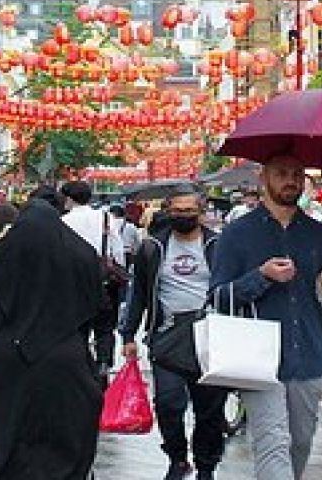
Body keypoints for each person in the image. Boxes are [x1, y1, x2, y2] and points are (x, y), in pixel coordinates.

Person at [0, 197, 103, 480]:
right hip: (64, 357)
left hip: (3, 357)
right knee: (60, 430)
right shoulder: (83, 255)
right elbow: (96, 306)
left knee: (0, 427)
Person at [209, 154, 322, 480]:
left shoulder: (321, 235)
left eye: (297, 174)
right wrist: (261, 276)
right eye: (281, 174)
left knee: (301, 443)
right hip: (258, 360)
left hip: (308, 353)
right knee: (273, 442)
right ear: (264, 178)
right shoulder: (236, 234)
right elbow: (219, 297)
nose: (290, 180)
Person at [121, 184, 226, 480]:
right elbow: (138, 294)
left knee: (209, 409)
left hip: (209, 338)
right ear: (168, 212)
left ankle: (206, 465)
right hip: (166, 336)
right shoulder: (152, 248)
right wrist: (129, 335)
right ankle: (178, 457)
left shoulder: (218, 246)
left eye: (190, 211)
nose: (183, 216)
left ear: (201, 212)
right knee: (168, 403)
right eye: (178, 211)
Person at [59, 180, 126, 374]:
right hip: (102, 279)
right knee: (105, 326)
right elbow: (117, 248)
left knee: (78, 326)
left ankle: (80, 365)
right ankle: (104, 362)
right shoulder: (105, 217)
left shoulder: (64, 221)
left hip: (74, 281)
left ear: (69, 199)